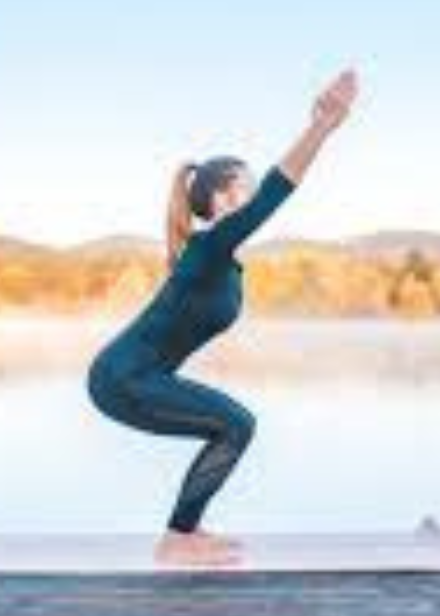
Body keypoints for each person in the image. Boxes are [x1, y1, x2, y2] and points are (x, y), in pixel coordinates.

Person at [86, 69, 359, 566]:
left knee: (230, 426)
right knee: (236, 424)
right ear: (218, 201)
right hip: (120, 377)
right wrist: (323, 126)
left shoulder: (219, 257)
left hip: (130, 378)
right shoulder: (209, 245)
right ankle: (176, 540)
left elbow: (266, 198)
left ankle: (185, 533)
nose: (251, 201)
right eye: (243, 192)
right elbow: (279, 189)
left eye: (250, 192)